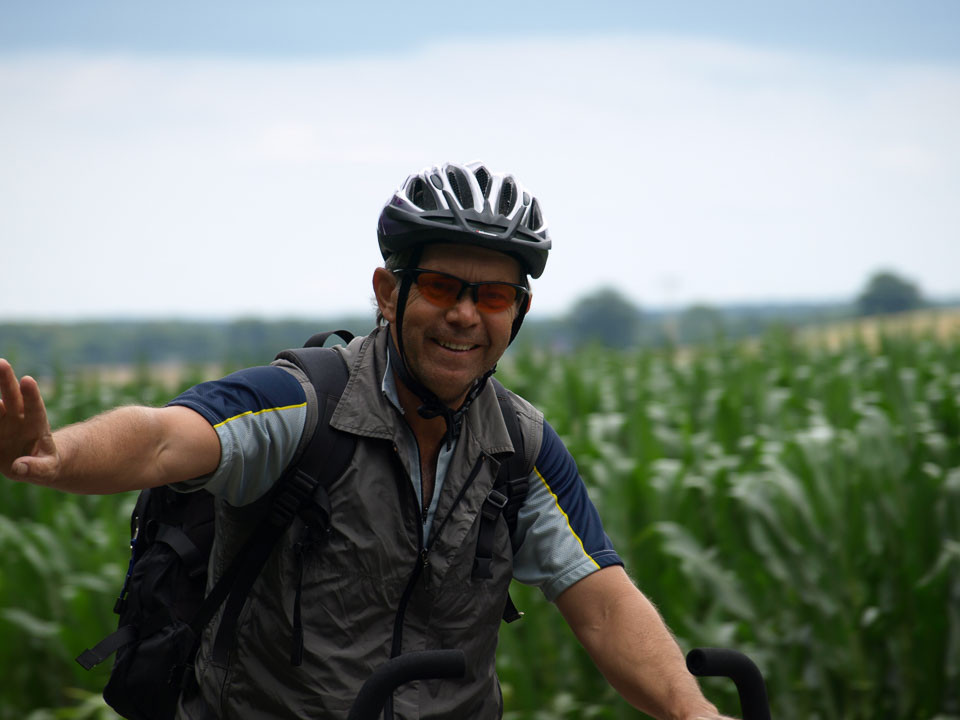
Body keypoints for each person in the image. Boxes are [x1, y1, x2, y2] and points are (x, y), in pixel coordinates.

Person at [0, 162, 734, 719]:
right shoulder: (302, 406)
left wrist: (695, 713)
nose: (465, 316)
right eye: (441, 287)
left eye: (493, 296)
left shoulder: (519, 446)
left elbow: (603, 604)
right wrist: (58, 456)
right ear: (389, 292)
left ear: (519, 311)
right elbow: (162, 439)